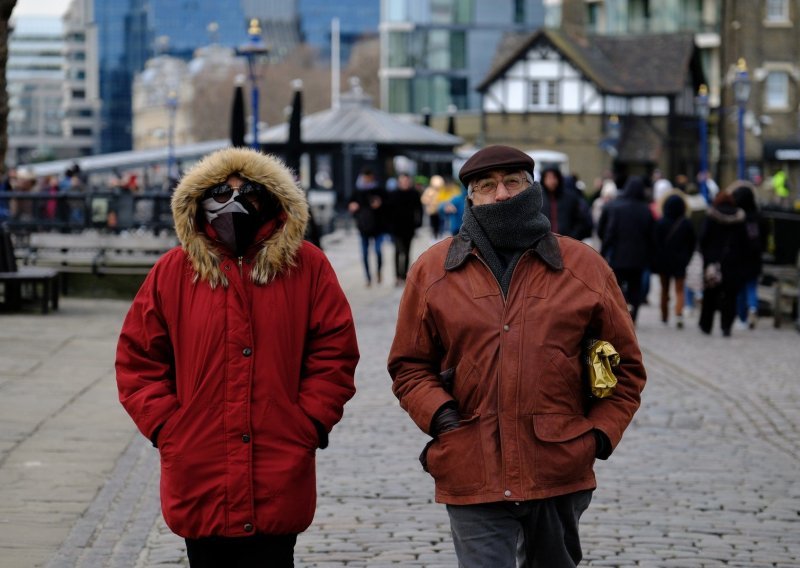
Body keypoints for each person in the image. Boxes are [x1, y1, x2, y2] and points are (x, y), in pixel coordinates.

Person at [388, 145, 646, 568]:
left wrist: (597, 436)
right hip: (471, 461)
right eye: (485, 186)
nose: (501, 194)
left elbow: (626, 368)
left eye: (512, 182)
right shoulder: (433, 271)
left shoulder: (583, 266)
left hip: (558, 465)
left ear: (533, 187)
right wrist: (442, 418)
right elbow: (409, 365)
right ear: (469, 197)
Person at [115, 147, 359, 567]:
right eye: (219, 193)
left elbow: (334, 351)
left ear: (269, 198)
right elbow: (138, 360)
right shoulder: (174, 272)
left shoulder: (308, 267)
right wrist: (168, 428)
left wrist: (309, 421)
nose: (232, 204)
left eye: (245, 192)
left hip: (278, 464)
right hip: (199, 465)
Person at [597, 176, 655, 323]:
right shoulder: (646, 210)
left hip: (619, 255)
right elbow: (652, 235)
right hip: (639, 257)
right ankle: (633, 315)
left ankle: (620, 313)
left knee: (618, 287)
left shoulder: (618, 208)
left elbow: (609, 233)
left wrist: (603, 252)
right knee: (636, 287)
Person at [698, 191, 748, 337]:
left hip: (712, 262)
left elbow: (703, 239)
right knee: (730, 296)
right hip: (732, 262)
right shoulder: (740, 218)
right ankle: (726, 326)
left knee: (710, 295)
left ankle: (706, 325)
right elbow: (744, 243)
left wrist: (707, 258)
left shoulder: (711, 216)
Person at [651, 194, 696, 328]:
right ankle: (678, 315)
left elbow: (655, 243)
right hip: (680, 261)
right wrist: (687, 258)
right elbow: (692, 243)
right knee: (679, 289)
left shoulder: (660, 222)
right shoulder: (686, 223)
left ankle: (664, 316)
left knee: (664, 289)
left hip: (664, 261)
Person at [730, 181, 765, 330]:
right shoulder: (759, 216)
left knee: (740, 289)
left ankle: (743, 318)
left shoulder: (737, 217)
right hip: (755, 256)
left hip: (739, 257)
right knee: (751, 286)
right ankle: (753, 307)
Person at [348, 167, 387, 286]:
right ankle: (368, 277)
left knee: (378, 251)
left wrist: (380, 204)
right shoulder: (357, 191)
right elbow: (350, 204)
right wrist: (352, 207)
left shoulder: (378, 190)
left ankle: (379, 271)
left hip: (378, 227)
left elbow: (387, 205)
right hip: (363, 227)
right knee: (364, 253)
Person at [384, 172, 423, 286]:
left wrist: (418, 223)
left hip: (409, 227)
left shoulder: (414, 194)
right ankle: (397, 276)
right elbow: (388, 211)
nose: (405, 183)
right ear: (399, 182)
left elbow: (419, 209)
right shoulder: (393, 194)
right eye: (403, 181)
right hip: (396, 228)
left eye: (406, 181)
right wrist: (388, 226)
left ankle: (404, 275)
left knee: (406, 251)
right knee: (397, 251)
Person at [540, 167, 593, 241]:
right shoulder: (538, 198)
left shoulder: (570, 198)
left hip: (566, 243)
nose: (551, 181)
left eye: (554, 177)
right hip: (544, 243)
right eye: (548, 178)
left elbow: (581, 221)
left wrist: (573, 237)